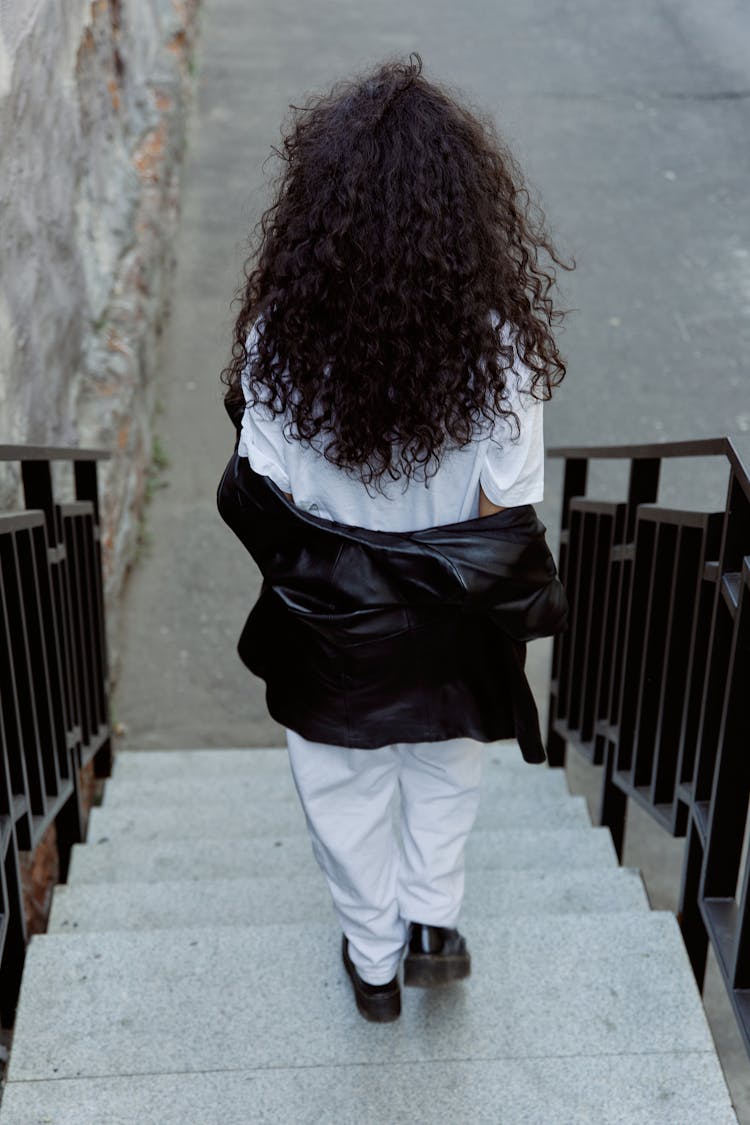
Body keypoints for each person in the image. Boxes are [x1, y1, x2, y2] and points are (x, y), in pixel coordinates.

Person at [219, 53, 571, 1023]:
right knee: (446, 770)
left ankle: (373, 966)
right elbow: (508, 506)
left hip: (331, 625)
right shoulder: (500, 350)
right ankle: (433, 926)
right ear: (464, 212)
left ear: (314, 214)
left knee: (342, 793)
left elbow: (268, 497)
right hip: (455, 622)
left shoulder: (276, 342)